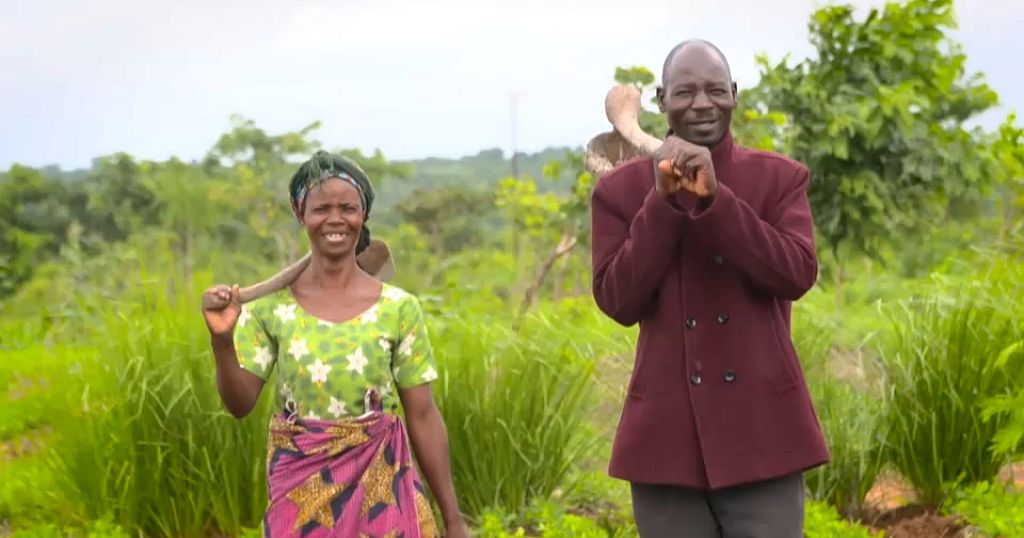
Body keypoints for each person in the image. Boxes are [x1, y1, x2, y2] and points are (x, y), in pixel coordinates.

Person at [589, 40, 830, 537]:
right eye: (685, 92)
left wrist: (718, 201)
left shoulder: (778, 179)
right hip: (665, 445)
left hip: (764, 435)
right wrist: (663, 204)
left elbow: (795, 274)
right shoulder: (620, 192)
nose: (702, 103)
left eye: (715, 90)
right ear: (661, 101)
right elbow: (618, 299)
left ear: (735, 96)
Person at [202, 150, 468, 538]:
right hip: (301, 497)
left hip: (385, 494)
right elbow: (240, 405)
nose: (335, 219)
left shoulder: (397, 308)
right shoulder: (272, 311)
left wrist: (454, 519)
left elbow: (423, 415)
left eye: (348, 207)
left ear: (363, 215)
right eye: (322, 208)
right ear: (300, 213)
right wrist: (222, 341)